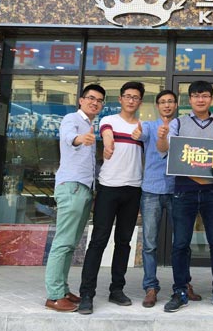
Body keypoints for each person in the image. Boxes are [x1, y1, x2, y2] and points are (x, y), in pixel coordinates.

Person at [156, 80, 213, 313]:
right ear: (189, 99)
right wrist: (162, 137)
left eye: (205, 95)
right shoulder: (178, 122)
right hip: (184, 190)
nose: (201, 99)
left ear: (211, 98)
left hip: (212, 191)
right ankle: (180, 290)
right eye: (196, 96)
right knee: (180, 243)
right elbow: (165, 150)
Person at [77, 81, 145, 314]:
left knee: (124, 242)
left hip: (133, 189)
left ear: (140, 101)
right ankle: (87, 294)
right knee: (98, 240)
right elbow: (106, 134)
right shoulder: (109, 120)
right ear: (120, 99)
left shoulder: (142, 127)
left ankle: (117, 289)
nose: (131, 100)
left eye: (135, 97)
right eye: (127, 96)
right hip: (108, 188)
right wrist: (108, 145)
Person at [131, 89, 202, 308]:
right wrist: (137, 133)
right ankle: (150, 287)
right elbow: (139, 134)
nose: (167, 105)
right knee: (150, 243)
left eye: (171, 101)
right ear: (157, 105)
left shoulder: (183, 127)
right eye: (163, 102)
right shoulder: (149, 126)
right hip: (151, 190)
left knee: (181, 242)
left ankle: (184, 284)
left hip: (178, 189)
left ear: (176, 104)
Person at [45, 84, 106, 313]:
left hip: (84, 189)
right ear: (81, 100)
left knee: (70, 244)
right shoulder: (72, 119)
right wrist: (81, 139)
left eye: (99, 100)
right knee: (63, 242)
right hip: (72, 188)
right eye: (91, 98)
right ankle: (54, 295)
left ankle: (62, 289)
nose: (94, 103)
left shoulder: (91, 124)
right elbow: (69, 137)